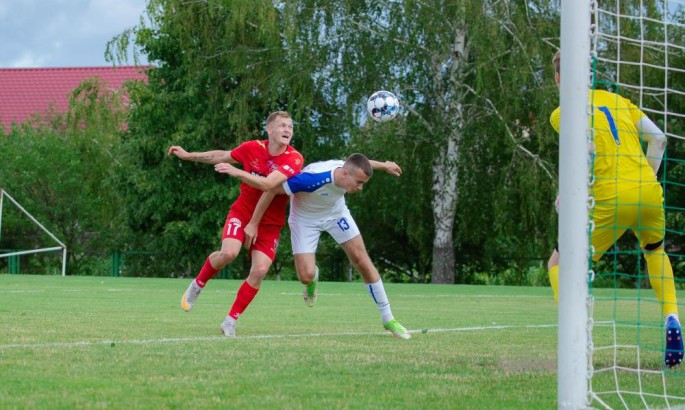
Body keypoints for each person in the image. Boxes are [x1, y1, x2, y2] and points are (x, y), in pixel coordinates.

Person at [547, 51, 683, 367]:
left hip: (608, 197)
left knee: (559, 263)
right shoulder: (620, 101)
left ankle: (575, 332)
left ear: (557, 78)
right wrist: (647, 177)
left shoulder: (562, 112)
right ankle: (672, 317)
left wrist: (568, 194)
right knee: (655, 252)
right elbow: (659, 140)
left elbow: (587, 151)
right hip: (649, 192)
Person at [215, 153, 412, 339]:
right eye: (359, 183)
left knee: (362, 260)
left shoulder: (348, 169)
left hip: (336, 214)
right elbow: (271, 189)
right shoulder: (310, 179)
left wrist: (385, 165)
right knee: (305, 276)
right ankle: (312, 279)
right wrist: (254, 223)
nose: (360, 187)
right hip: (304, 219)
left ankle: (388, 319)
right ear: (344, 173)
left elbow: (362, 162)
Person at [167, 111, 303, 337]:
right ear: (269, 129)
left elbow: (269, 184)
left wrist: (236, 171)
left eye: (290, 126)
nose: (288, 130)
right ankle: (198, 284)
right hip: (242, 212)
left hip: (270, 224)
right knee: (229, 253)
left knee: (259, 270)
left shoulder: (294, 158)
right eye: (282, 125)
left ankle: (230, 321)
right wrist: (189, 155)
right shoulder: (252, 148)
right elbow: (222, 155)